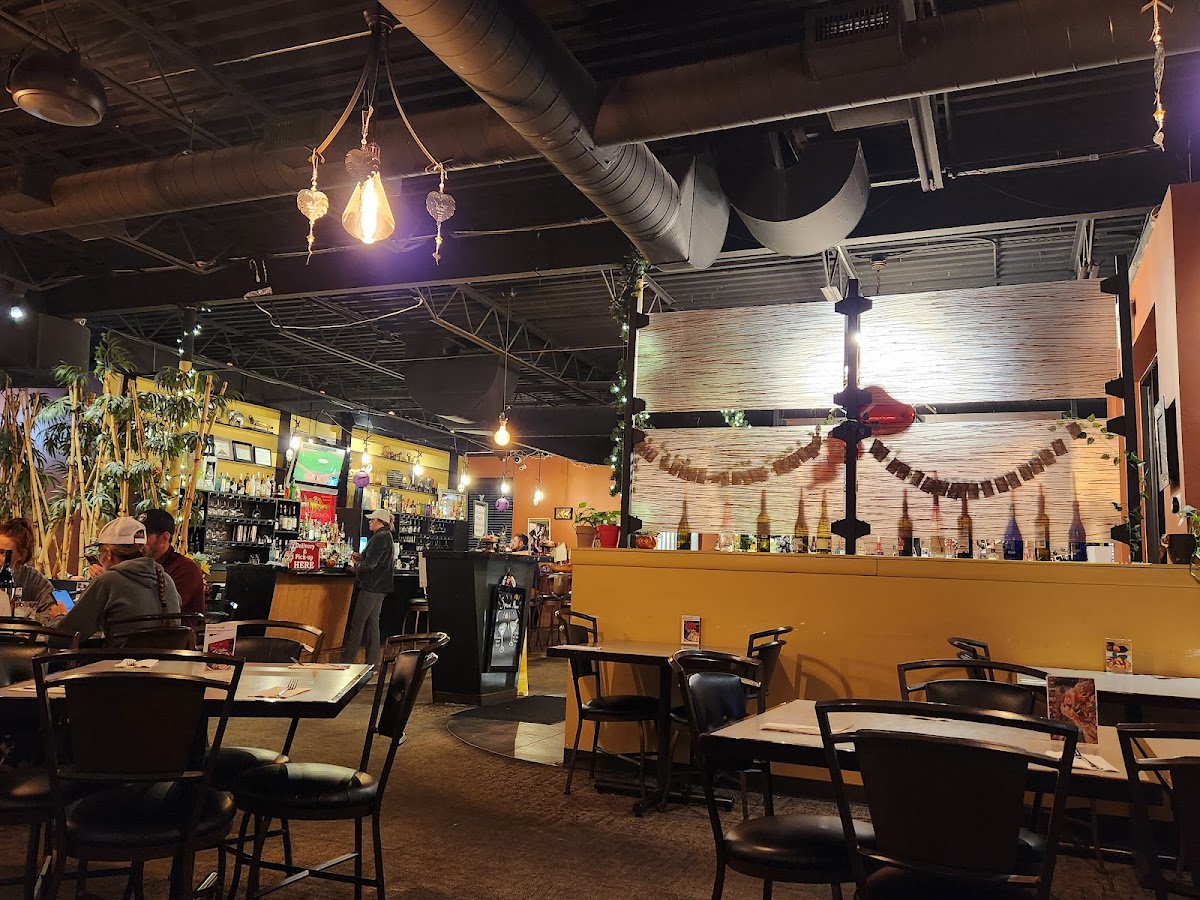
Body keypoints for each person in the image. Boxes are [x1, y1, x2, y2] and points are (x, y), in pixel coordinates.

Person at [58, 517, 180, 640]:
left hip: (120, 653)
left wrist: (59, 616)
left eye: (99, 553)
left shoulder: (107, 582)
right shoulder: (167, 579)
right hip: (167, 653)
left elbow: (62, 638)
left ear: (108, 553)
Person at [341, 509, 396, 664]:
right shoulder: (387, 536)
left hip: (372, 586)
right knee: (373, 625)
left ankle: (346, 663)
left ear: (381, 522)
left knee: (357, 624)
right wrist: (360, 558)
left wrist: (355, 565)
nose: (369, 522)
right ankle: (372, 664)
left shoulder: (379, 537)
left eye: (373, 520)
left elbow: (370, 565)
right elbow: (377, 560)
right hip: (381, 587)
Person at [140, 509, 206, 617]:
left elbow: (167, 609)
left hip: (177, 627)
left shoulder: (186, 569)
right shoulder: (141, 565)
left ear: (165, 537)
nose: (139, 541)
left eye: (144, 536)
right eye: (137, 535)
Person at [0, 517, 55, 616]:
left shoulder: (34, 580)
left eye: (2, 553)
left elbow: (56, 615)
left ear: (21, 555)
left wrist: (24, 614)